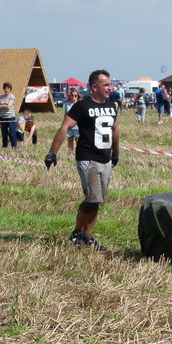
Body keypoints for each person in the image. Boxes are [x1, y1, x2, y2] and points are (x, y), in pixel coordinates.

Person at [45, 69, 119, 251]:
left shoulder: (111, 105)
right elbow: (65, 128)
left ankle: (87, 236)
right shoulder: (82, 106)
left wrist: (116, 152)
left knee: (98, 200)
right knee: (93, 198)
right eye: (106, 85)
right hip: (88, 158)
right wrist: (52, 152)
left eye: (110, 84)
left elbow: (115, 129)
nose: (110, 88)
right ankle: (79, 232)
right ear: (94, 87)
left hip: (105, 158)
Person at [0, 82, 18, 148]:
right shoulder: (0, 97)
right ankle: (4, 146)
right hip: (2, 118)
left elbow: (8, 107)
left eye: (8, 88)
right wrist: (4, 106)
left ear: (10, 89)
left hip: (10, 117)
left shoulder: (12, 96)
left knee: (12, 134)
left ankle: (14, 146)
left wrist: (0, 106)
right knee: (4, 133)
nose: (6, 90)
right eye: (5, 88)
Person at [65, 88, 80, 153]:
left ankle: (78, 153)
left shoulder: (80, 104)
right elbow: (65, 115)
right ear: (70, 96)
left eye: (75, 95)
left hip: (77, 126)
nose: (74, 97)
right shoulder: (67, 104)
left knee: (78, 141)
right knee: (70, 140)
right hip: (69, 126)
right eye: (72, 95)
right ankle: (70, 154)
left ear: (78, 96)